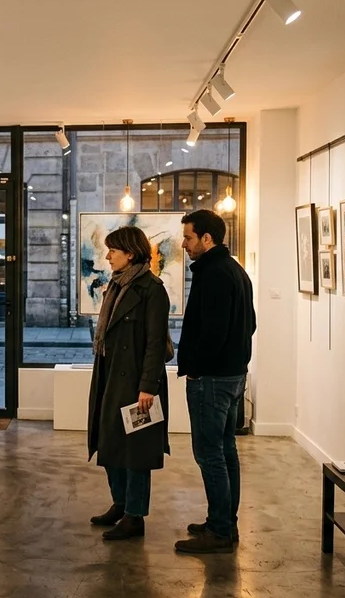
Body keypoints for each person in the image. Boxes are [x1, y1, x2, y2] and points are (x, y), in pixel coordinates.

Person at [174, 209, 256, 554]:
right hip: (234, 375)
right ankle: (224, 522)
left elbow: (213, 332)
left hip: (213, 378)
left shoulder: (214, 275)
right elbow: (249, 324)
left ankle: (220, 529)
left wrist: (196, 367)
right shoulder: (236, 270)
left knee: (210, 454)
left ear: (208, 238)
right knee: (225, 451)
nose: (184, 244)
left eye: (189, 237)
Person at [86, 226, 172, 541]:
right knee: (109, 443)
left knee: (137, 451)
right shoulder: (117, 286)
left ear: (130, 254)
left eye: (113, 251)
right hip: (111, 376)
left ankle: (135, 516)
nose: (107, 256)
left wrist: (148, 386)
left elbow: (154, 343)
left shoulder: (152, 289)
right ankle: (120, 504)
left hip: (138, 382)